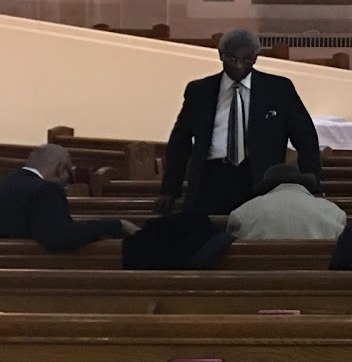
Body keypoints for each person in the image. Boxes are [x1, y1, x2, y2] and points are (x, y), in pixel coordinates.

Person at [156, 29, 321, 216]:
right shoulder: (200, 91)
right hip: (210, 178)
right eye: (232, 59)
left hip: (260, 179)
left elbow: (306, 138)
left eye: (246, 60)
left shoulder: (278, 89)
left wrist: (312, 184)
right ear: (221, 55)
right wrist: (170, 189)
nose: (239, 66)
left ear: (256, 58)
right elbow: (180, 141)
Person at [0, 144, 137, 252]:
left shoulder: (5, 183)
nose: (67, 182)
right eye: (70, 175)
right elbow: (60, 238)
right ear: (60, 168)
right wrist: (116, 225)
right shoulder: (45, 190)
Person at [227, 163, 347, 242]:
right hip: (319, 280)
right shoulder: (334, 212)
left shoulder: (243, 212)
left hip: (260, 279)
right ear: (302, 183)